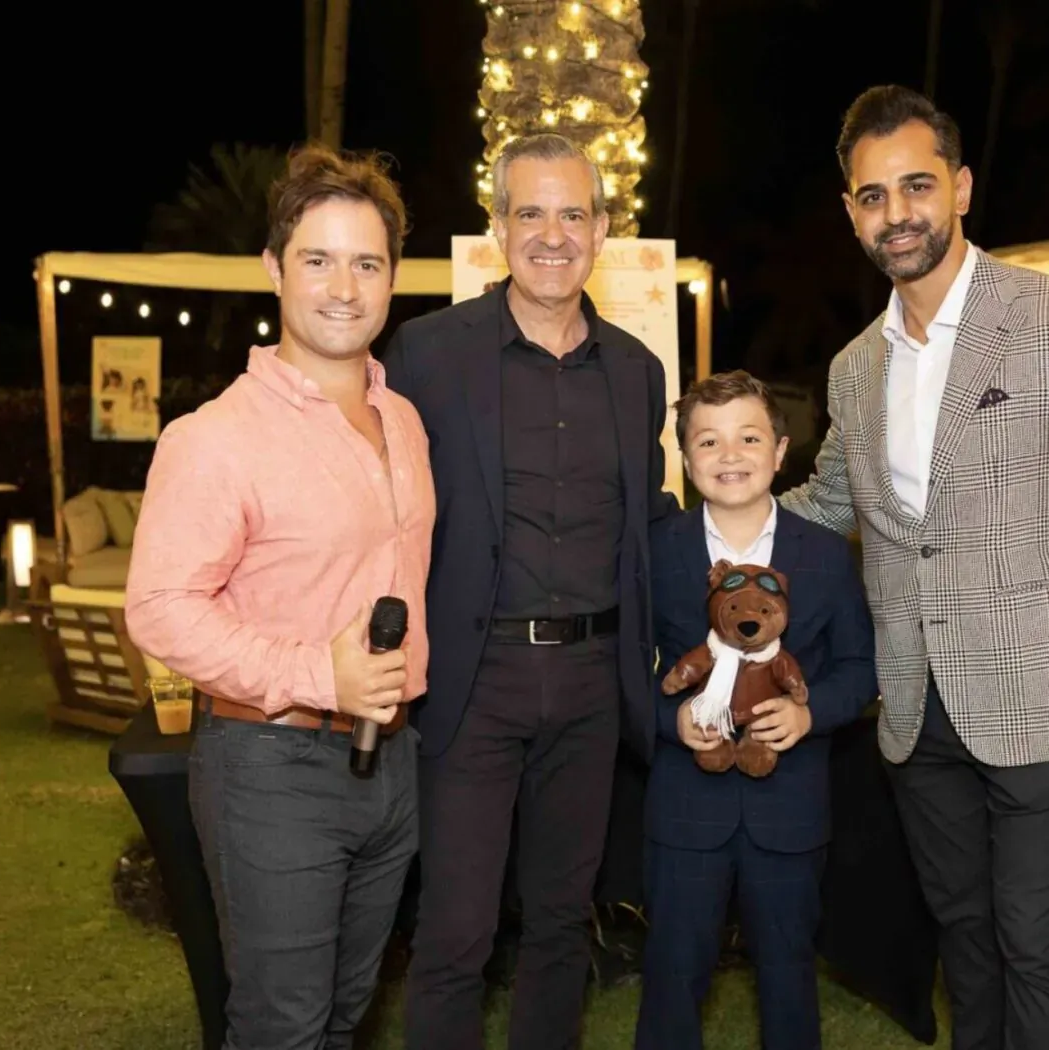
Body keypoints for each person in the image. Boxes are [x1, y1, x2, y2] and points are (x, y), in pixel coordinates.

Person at [779, 85, 1049, 1049]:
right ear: (850, 212)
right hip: (916, 708)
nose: (896, 213)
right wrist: (703, 524)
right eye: (872, 196)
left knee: (1037, 941)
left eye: (916, 186)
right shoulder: (854, 368)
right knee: (966, 939)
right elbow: (831, 506)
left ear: (959, 187)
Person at [125, 143, 434, 1050]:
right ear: (274, 269)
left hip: (394, 763)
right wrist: (315, 673)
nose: (344, 286)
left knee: (343, 1016)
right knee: (280, 1028)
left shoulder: (405, 421)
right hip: (271, 768)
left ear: (391, 279)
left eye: (367, 262)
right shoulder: (213, 437)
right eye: (318, 259)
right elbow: (160, 607)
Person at [382, 131, 676, 1050]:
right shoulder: (426, 353)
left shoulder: (637, 371)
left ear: (603, 231)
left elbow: (651, 522)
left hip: (594, 686)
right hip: (472, 682)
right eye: (532, 212)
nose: (554, 234)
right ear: (500, 226)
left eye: (574, 213)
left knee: (560, 924)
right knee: (455, 933)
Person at [633, 370, 876, 1050]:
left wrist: (809, 714)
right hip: (685, 809)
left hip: (790, 812)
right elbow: (621, 669)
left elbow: (861, 667)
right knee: (673, 970)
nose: (729, 456)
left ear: (780, 450)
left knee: (788, 971)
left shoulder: (827, 556)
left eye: (748, 438)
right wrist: (667, 719)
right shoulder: (655, 553)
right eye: (707, 442)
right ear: (685, 457)